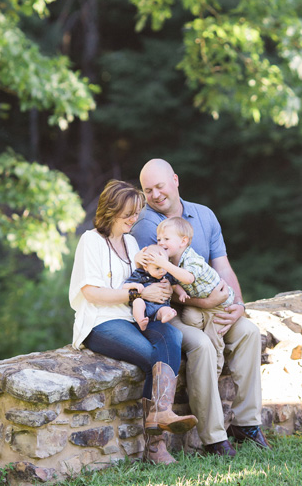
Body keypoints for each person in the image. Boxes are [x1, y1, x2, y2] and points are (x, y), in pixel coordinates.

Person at [132, 159, 267, 458]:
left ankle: (246, 424)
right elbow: (160, 288)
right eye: (147, 190)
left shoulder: (203, 216)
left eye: (160, 186)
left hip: (211, 304)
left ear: (175, 180)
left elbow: (223, 268)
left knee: (248, 333)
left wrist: (238, 305)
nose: (155, 195)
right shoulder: (148, 226)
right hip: (169, 313)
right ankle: (214, 439)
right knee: (203, 346)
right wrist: (205, 302)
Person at [68, 178, 194, 468]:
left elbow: (147, 278)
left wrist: (160, 289)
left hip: (132, 315)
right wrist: (139, 292)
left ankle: (159, 416)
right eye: (129, 214)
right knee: (152, 356)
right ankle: (156, 446)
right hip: (100, 322)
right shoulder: (91, 241)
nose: (134, 219)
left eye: (137, 213)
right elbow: (91, 293)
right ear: (110, 211)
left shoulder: (131, 241)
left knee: (171, 338)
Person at [138, 216, 241, 370]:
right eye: (159, 239)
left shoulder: (191, 259)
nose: (161, 243)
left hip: (221, 303)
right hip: (203, 303)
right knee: (189, 316)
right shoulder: (173, 261)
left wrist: (163, 263)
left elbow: (187, 278)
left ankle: (216, 369)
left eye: (166, 238)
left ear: (183, 242)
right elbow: (174, 281)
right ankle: (203, 324)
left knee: (214, 338)